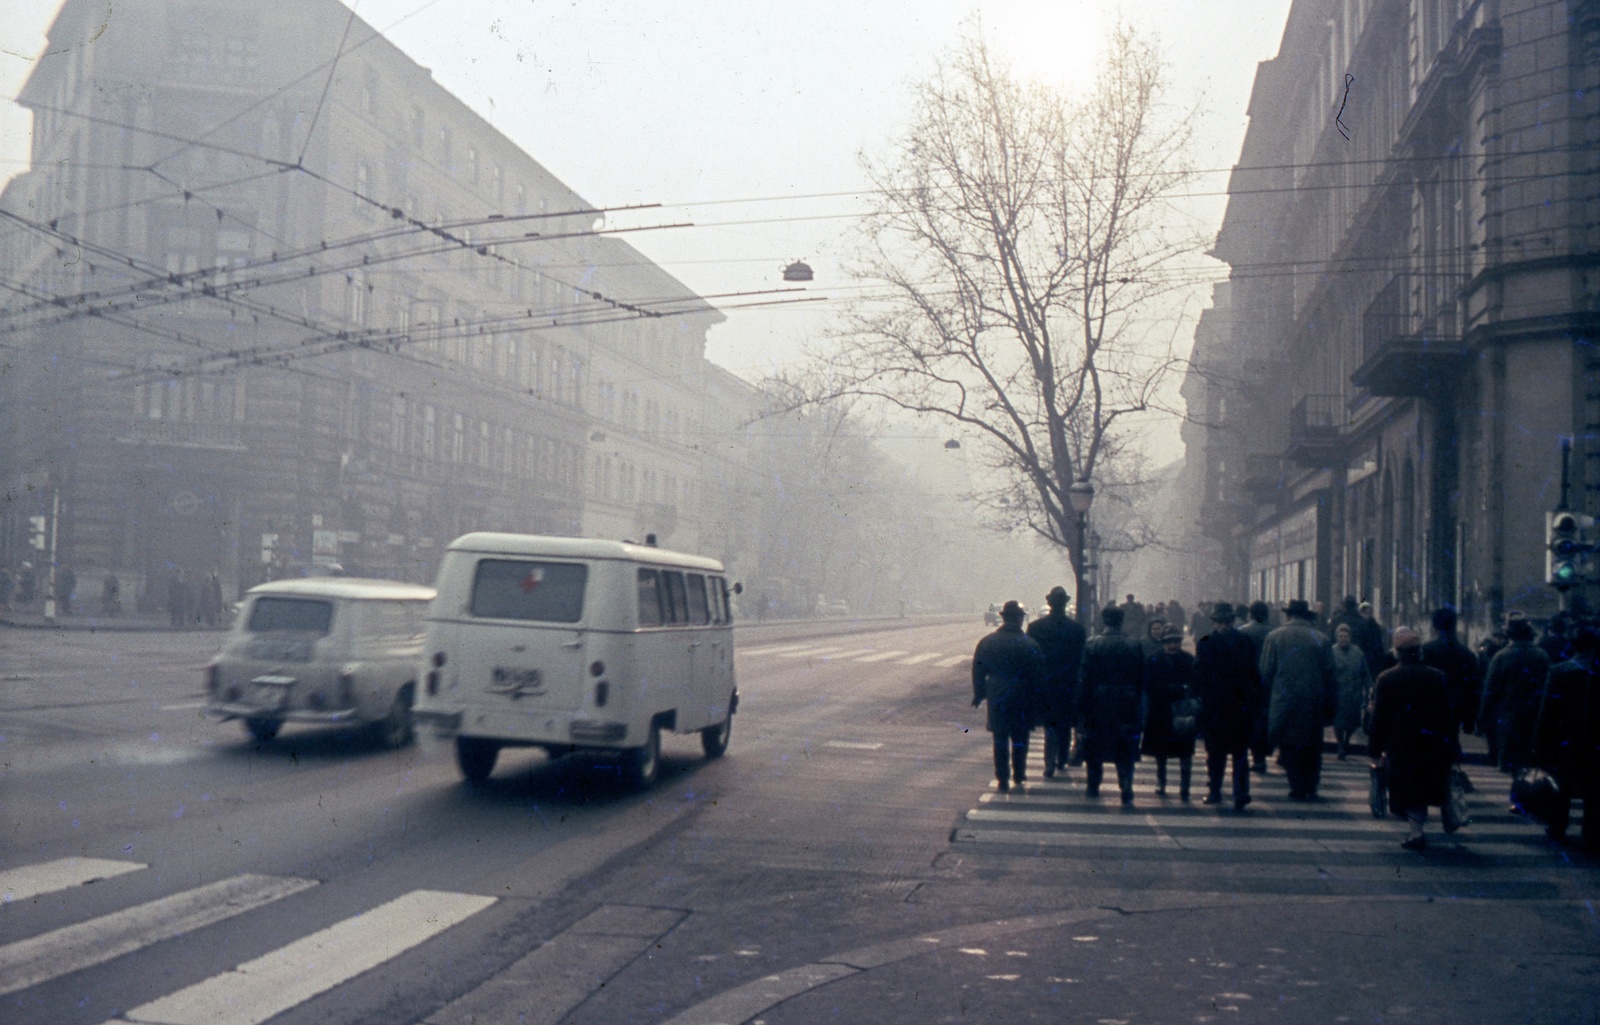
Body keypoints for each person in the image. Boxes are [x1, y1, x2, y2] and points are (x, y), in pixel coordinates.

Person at [1368, 628, 1456, 851]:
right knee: (1424, 787)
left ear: (1397, 653)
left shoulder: (1386, 678)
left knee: (1409, 789)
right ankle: (1419, 829)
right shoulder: (1437, 677)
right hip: (1432, 742)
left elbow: (1379, 717)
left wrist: (1375, 749)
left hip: (1401, 743)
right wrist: (1452, 745)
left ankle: (1417, 833)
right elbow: (1448, 715)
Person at [1260, 598, 1339, 801]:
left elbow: (1266, 672)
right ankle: (1311, 785)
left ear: (1288, 615)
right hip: (1314, 700)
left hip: (1284, 700)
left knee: (1289, 744)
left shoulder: (1275, 637)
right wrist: (1331, 704)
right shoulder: (1321, 639)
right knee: (1313, 745)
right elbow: (1330, 674)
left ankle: (1297, 786)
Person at [1533, 625, 1600, 850]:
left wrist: (1539, 743)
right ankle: (1591, 833)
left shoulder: (1560, 671)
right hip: (1594, 740)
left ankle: (1557, 828)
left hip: (1564, 739)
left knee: (1561, 787)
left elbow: (1547, 710)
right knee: (1594, 789)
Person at [1076, 605, 1146, 806]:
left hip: (1098, 702)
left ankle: (1093, 784)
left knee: (1095, 746)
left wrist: (1080, 707)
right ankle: (1126, 785)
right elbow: (1141, 678)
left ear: (1104, 621)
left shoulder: (1092, 644)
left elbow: (1084, 679)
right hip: (1126, 701)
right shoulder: (1134, 645)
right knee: (1125, 748)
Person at [972, 600, 1046, 793]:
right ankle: (1019, 772)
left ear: (1004, 618)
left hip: (997, 691)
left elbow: (978, 670)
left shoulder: (988, 642)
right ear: (1020, 619)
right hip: (1023, 693)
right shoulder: (1031, 644)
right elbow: (1038, 676)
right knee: (1020, 736)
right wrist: (1039, 702)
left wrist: (979, 694)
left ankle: (1002, 777)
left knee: (1000, 736)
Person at [1194, 602, 1261, 810]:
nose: (1224, 625)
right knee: (1226, 752)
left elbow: (1199, 677)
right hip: (1231, 705)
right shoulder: (1243, 641)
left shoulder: (1206, 643)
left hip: (1224, 705)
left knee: (1222, 752)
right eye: (1220, 621)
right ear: (1214, 623)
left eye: (1227, 621)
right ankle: (1230, 791)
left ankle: (1225, 792)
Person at [1026, 586, 1087, 780]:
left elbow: (1031, 658)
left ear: (1049, 603)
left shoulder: (1035, 628)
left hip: (1046, 683)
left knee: (1050, 725)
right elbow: (1081, 659)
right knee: (1066, 724)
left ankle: (1049, 762)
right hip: (1069, 683)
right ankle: (1061, 759)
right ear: (1066, 603)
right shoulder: (1077, 629)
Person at [1479, 613, 1552, 773]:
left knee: (1510, 764)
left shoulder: (1501, 657)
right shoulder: (1541, 656)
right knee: (1531, 765)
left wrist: (1482, 718)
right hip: (1534, 717)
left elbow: (1490, 691)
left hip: (1508, 718)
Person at [1142, 627, 1197, 800]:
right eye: (1168, 642)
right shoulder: (1153, 660)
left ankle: (1185, 785)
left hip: (1182, 709)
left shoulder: (1188, 660)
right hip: (1161, 710)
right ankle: (1161, 780)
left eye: (1175, 642)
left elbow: (1196, 683)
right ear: (1163, 643)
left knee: (1186, 752)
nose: (1172, 645)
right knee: (1161, 752)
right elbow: (1148, 685)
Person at [1421, 606, 1482, 742]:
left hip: (1427, 709)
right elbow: (1473, 688)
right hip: (1454, 710)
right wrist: (1469, 721)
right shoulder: (1467, 655)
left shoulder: (1425, 651)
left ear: (1434, 626)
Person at [1331, 622, 1373, 760]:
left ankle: (1347, 740)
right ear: (1336, 637)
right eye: (1340, 636)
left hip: (1354, 693)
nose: (1343, 638)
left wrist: (1369, 689)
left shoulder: (1357, 652)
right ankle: (1340, 746)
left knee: (1352, 723)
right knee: (1338, 722)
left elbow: (1365, 673)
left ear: (1350, 637)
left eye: (1346, 636)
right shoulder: (1332, 652)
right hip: (1338, 693)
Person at [1239, 601, 1273, 773]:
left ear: (1250, 614)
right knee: (1265, 720)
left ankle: (1254, 757)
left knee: (1249, 721)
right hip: (1268, 683)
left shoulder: (1243, 632)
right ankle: (1263, 756)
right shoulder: (1273, 632)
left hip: (1248, 683)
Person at [1354, 601, 1392, 677]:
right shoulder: (1357, 626)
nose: (1367, 615)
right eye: (1365, 613)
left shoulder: (1376, 627)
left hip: (1373, 660)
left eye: (1369, 613)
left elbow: (1379, 645)